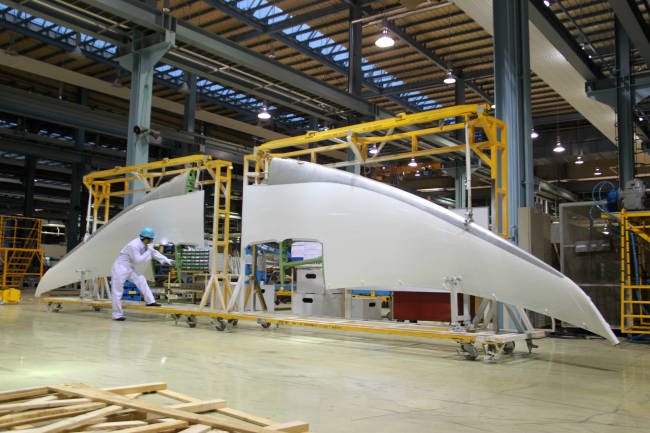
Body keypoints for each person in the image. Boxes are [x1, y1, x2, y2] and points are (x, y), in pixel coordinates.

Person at [110, 227, 173, 321]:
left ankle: (150, 301)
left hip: (129, 267)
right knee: (117, 292)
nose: (153, 240)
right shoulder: (134, 245)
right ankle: (117, 314)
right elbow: (138, 260)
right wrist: (149, 251)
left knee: (141, 279)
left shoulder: (146, 244)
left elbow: (154, 253)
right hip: (120, 268)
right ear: (146, 239)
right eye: (152, 239)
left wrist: (166, 260)